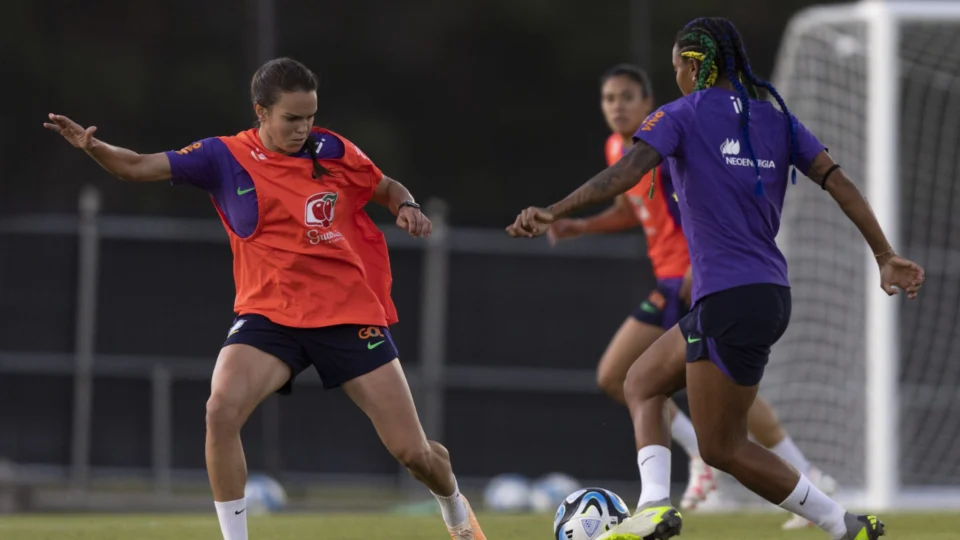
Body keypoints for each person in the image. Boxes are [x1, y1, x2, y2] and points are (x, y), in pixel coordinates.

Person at [508, 17, 924, 540]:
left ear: (693, 65)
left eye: (679, 64)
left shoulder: (680, 114)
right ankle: (662, 505)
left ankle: (837, 525)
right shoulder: (778, 120)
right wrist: (884, 254)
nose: (676, 74)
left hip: (726, 297)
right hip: (768, 295)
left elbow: (626, 174)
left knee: (722, 447)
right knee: (641, 381)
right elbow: (839, 184)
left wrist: (554, 208)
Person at [45, 57, 486, 540]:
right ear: (261, 111)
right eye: (291, 118)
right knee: (220, 410)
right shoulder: (222, 156)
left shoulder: (332, 149)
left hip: (346, 313)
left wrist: (406, 205)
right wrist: (94, 147)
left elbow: (383, 186)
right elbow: (136, 166)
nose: (304, 128)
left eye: (310, 116)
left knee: (414, 454)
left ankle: (456, 512)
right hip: (269, 315)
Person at [550, 63, 838, 528]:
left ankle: (698, 465)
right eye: (609, 99)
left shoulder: (665, 144)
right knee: (715, 388)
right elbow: (632, 208)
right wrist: (583, 225)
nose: (617, 106)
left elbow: (700, 207)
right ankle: (802, 471)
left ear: (648, 104)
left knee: (626, 376)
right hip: (676, 279)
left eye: (627, 97)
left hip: (691, 278)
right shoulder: (617, 148)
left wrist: (691, 267)